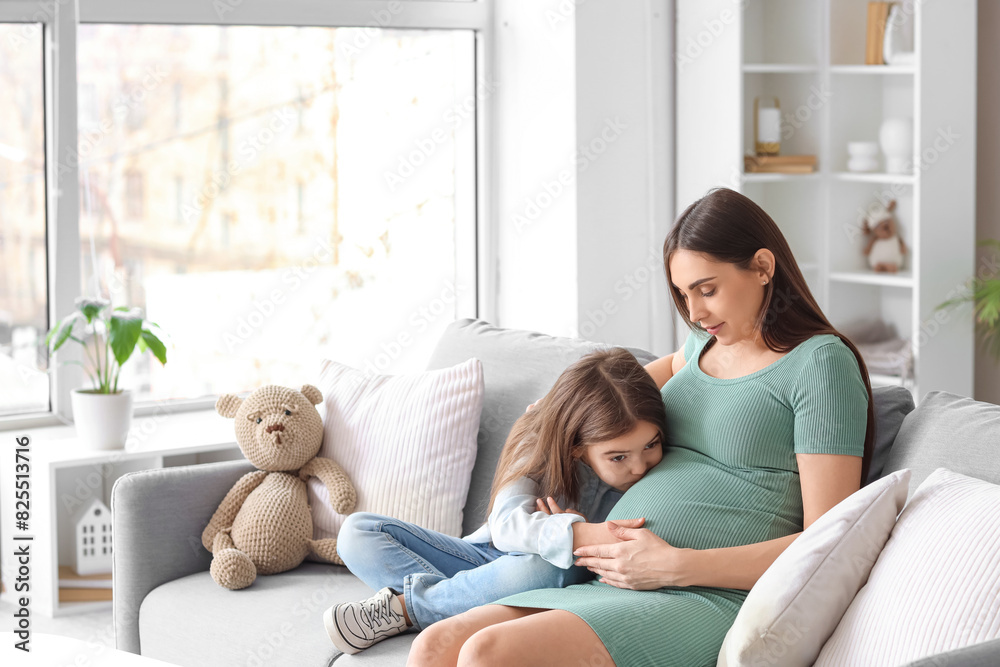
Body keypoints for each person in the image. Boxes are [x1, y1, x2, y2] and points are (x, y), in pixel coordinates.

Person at [406, 187, 876, 667]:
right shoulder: (700, 347)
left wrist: (678, 565)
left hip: (706, 593)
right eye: (683, 294)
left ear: (761, 266)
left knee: (489, 653)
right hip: (614, 579)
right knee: (435, 646)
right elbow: (574, 407)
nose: (694, 313)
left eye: (707, 289)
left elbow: (828, 543)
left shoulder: (819, 365)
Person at [324, 347, 668, 655]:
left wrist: (558, 539)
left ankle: (406, 609)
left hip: (543, 572)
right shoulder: (539, 443)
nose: (640, 465)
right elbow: (506, 527)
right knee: (357, 532)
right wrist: (580, 532)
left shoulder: (662, 465)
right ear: (577, 447)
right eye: (618, 457)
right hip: (486, 557)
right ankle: (470, 602)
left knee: (558, 564)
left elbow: (689, 361)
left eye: (651, 445)